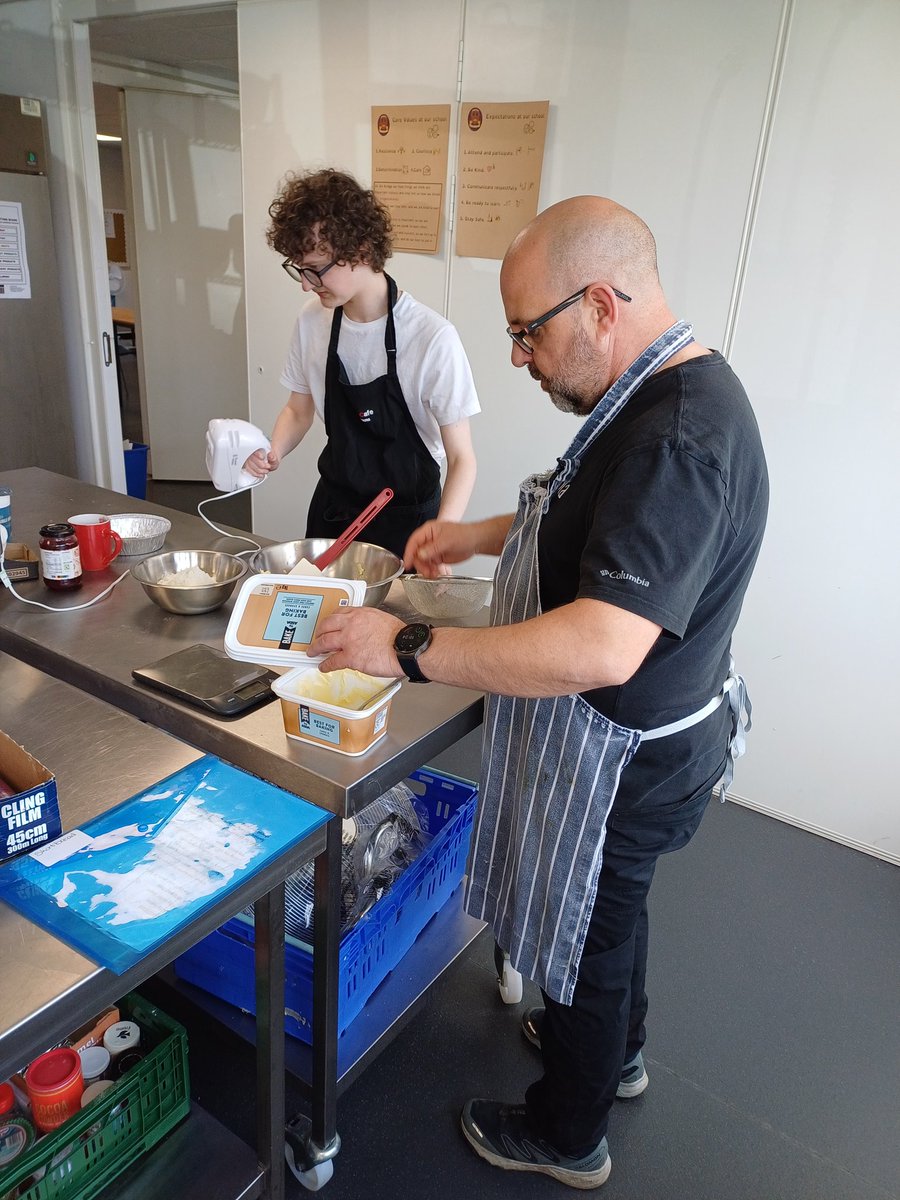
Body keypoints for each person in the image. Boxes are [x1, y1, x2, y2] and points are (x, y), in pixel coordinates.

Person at [308, 195, 769, 1189]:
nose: (518, 356)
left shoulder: (678, 437)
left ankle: (569, 1132)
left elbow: (603, 644)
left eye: (528, 332)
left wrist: (414, 647)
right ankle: (619, 1054)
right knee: (615, 913)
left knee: (598, 933)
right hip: (644, 744)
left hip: (630, 757)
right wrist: (477, 538)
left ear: (600, 303)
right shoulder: (648, 394)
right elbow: (578, 512)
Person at [244, 168, 480, 558]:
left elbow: (462, 459)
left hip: (410, 527)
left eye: (315, 270)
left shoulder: (431, 338)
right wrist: (274, 451)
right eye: (298, 269)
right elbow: (297, 410)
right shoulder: (312, 320)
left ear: (363, 251)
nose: (305, 284)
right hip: (334, 516)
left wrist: (443, 537)